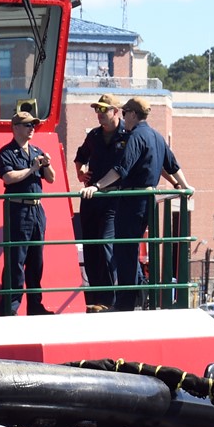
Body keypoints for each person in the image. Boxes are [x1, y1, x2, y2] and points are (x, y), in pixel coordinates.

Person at [76, 97, 193, 311]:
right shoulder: (156, 136)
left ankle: (125, 302)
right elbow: (173, 165)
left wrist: (97, 186)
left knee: (125, 250)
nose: (124, 117)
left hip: (131, 200)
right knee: (128, 247)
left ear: (131, 114)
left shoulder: (136, 137)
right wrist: (185, 187)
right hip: (147, 200)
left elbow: (122, 168)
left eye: (125, 112)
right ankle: (136, 297)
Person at [0, 110, 55, 317]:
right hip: (18, 209)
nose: (32, 129)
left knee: (36, 260)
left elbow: (51, 179)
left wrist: (45, 165)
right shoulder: (6, 153)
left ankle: (35, 305)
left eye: (33, 125)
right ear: (16, 128)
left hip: (37, 210)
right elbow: (9, 177)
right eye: (28, 125)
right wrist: (32, 169)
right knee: (16, 260)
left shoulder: (37, 151)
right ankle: (9, 308)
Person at [72, 94, 127, 312]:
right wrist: (80, 173)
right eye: (97, 110)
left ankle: (111, 299)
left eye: (104, 110)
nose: (100, 115)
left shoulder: (128, 135)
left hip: (114, 200)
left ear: (115, 111)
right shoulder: (94, 136)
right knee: (92, 248)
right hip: (91, 199)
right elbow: (80, 156)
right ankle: (96, 299)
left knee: (106, 246)